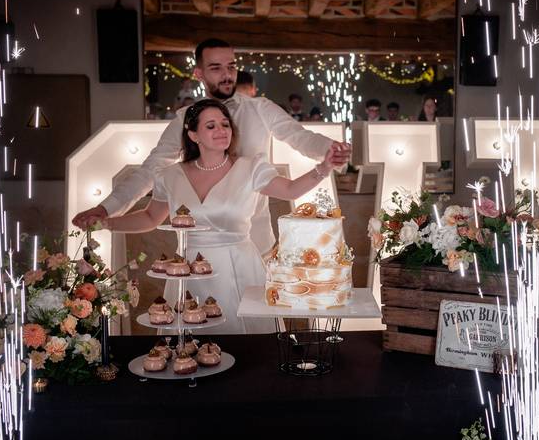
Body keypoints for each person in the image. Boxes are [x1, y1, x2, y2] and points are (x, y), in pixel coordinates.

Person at [72, 38, 351, 253]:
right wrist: (107, 209)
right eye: (216, 68)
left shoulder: (260, 108)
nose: (226, 74)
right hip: (202, 250)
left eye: (231, 66)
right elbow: (151, 170)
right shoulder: (185, 120)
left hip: (257, 243)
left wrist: (329, 150)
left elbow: (298, 136)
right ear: (199, 73)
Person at [104, 99, 337, 334]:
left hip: (241, 268)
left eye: (225, 124)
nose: (221, 131)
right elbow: (150, 217)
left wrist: (324, 168)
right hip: (188, 271)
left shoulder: (250, 168)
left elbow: (290, 190)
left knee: (247, 344)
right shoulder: (170, 176)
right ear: (193, 135)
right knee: (191, 345)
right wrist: (106, 223)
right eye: (211, 126)